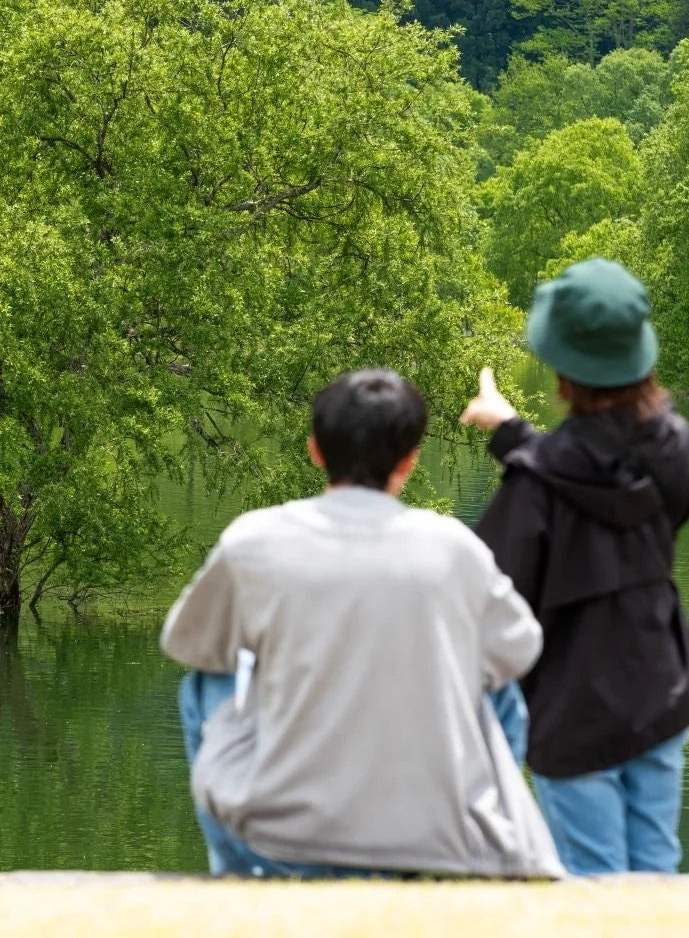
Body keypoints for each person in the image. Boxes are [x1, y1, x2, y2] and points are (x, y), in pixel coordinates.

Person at [162, 369, 565, 880]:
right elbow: (521, 649)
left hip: (284, 839)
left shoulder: (254, 540)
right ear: (410, 460)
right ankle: (473, 817)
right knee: (496, 681)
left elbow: (187, 643)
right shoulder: (454, 548)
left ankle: (238, 869)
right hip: (433, 839)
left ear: (315, 451)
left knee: (207, 681)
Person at [460, 257, 689, 876]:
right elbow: (599, 476)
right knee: (656, 865)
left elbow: (490, 596)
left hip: (575, 705)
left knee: (590, 876)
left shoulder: (534, 487)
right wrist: (513, 435)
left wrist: (513, 438)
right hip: (661, 680)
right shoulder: (676, 447)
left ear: (563, 371)